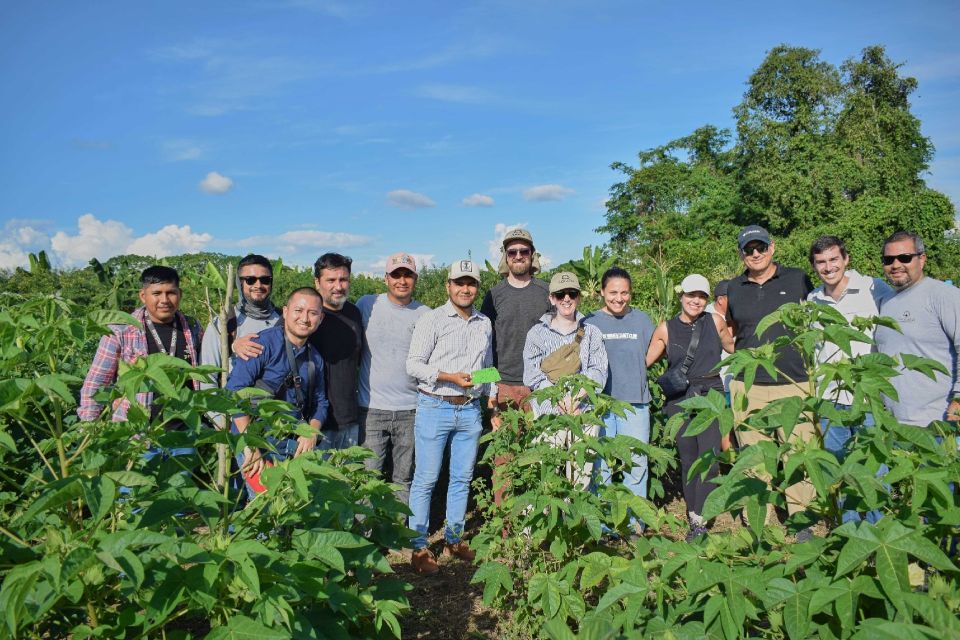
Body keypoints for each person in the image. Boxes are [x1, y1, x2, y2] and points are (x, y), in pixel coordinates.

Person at [725, 224, 816, 536]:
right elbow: (731, 330)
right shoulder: (734, 288)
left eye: (760, 247)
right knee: (755, 458)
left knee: (799, 454)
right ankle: (758, 524)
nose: (755, 254)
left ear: (772, 247)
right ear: (741, 253)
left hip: (795, 381)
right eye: (748, 249)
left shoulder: (797, 279)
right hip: (748, 386)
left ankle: (802, 523)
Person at [405, 259, 495, 575]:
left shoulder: (484, 323)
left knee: (461, 478)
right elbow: (414, 365)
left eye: (471, 283)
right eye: (459, 282)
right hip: (435, 406)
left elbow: (488, 366)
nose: (465, 288)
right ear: (448, 286)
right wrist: (449, 377)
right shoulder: (432, 320)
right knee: (427, 479)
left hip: (469, 409)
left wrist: (489, 393)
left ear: (476, 288)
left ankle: (454, 539)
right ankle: (418, 548)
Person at [807, 235, 893, 523]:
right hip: (831, 398)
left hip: (868, 397)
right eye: (821, 262)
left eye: (833, 259)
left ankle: (880, 529)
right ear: (814, 267)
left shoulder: (873, 288)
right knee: (840, 470)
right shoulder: (813, 299)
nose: (828, 267)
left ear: (846, 259)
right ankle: (852, 535)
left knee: (875, 469)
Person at [647, 274, 735, 540]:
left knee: (708, 458)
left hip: (711, 395)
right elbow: (646, 361)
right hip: (681, 399)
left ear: (707, 299)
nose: (695, 301)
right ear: (681, 296)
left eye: (701, 296)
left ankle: (699, 518)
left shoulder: (715, 321)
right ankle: (693, 512)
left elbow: (734, 348)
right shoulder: (666, 328)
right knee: (688, 459)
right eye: (691, 295)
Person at [226, 288, 329, 494]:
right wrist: (251, 447)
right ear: (285, 311)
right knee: (266, 507)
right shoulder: (262, 344)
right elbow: (233, 392)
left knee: (290, 509)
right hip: (255, 443)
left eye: (312, 313)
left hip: (288, 445)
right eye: (298, 310)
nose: (305, 318)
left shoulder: (315, 358)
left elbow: (321, 403)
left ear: (321, 318)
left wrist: (311, 432)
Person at [79, 266, 203, 425]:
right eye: (157, 293)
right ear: (143, 296)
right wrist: (88, 429)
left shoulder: (193, 328)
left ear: (180, 294)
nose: (164, 300)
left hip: (185, 433)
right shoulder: (119, 331)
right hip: (137, 436)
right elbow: (95, 383)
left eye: (171, 293)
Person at [356, 253, 430, 505]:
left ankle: (399, 537)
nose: (402, 280)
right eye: (396, 275)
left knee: (403, 477)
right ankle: (366, 539)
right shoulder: (367, 304)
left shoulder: (425, 314)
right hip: (371, 408)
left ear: (415, 279)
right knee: (368, 477)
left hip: (411, 409)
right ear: (386, 278)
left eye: (407, 275)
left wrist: (487, 377)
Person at [584, 267, 655, 528]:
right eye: (613, 292)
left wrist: (641, 366)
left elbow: (658, 343)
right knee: (599, 463)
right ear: (602, 292)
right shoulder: (589, 321)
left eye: (624, 292)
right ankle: (601, 525)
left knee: (636, 464)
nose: (619, 298)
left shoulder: (642, 320)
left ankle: (634, 524)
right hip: (600, 404)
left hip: (635, 402)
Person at [522, 272, 608, 487]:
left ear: (578, 297)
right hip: (548, 416)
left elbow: (598, 371)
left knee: (579, 482)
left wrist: (576, 398)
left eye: (571, 293)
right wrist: (558, 399)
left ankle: (575, 521)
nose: (566, 299)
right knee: (546, 480)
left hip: (583, 414)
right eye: (560, 294)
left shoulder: (592, 333)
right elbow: (531, 375)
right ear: (552, 298)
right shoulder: (536, 334)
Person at [874, 230, 960, 426]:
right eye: (888, 260)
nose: (896, 265)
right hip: (894, 425)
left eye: (904, 258)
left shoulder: (943, 295)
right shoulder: (886, 301)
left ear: (922, 259)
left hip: (937, 423)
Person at [480, 228, 552, 418]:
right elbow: (484, 343)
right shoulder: (493, 295)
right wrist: (489, 387)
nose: (518, 256)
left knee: (544, 445)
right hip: (503, 385)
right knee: (506, 447)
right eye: (512, 252)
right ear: (506, 256)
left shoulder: (547, 291)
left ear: (532, 255)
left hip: (541, 382)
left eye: (524, 251)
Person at [200, 254, 281, 397]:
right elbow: (207, 378)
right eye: (250, 280)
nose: (258, 285)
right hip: (236, 412)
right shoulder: (224, 323)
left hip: (279, 413)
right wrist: (218, 417)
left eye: (265, 280)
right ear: (239, 283)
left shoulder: (286, 320)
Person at [308, 253, 363, 450]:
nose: (338, 286)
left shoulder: (354, 313)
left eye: (343, 279)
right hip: (315, 423)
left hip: (349, 419)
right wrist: (238, 343)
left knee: (346, 479)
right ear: (317, 282)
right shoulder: (307, 316)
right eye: (331, 280)